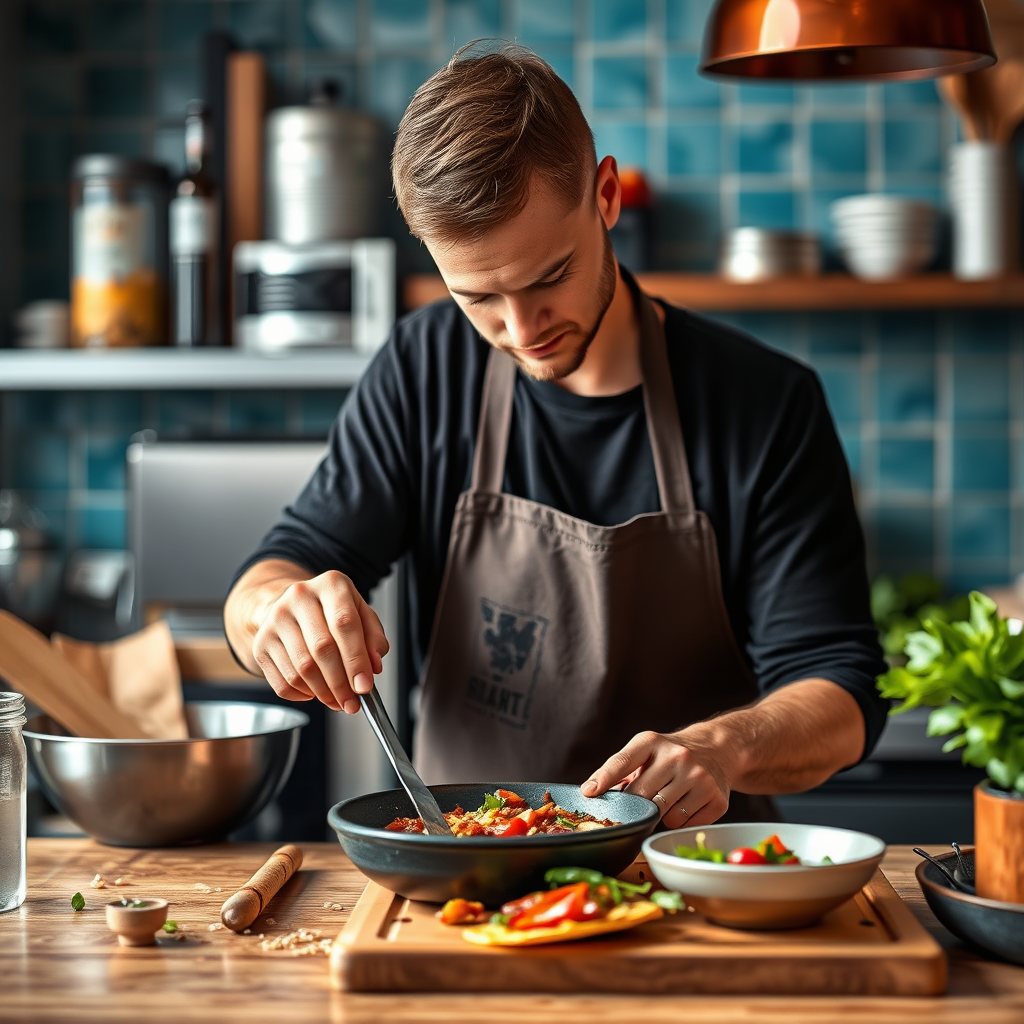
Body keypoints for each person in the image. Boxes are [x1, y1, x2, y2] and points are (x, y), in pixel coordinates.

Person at [225, 45, 888, 828]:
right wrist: (277, 613)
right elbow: (274, 571)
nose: (521, 328)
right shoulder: (425, 364)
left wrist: (725, 747)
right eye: (479, 298)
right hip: (466, 872)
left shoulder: (765, 403)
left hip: (696, 878)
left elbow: (840, 688)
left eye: (548, 278)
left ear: (604, 196)